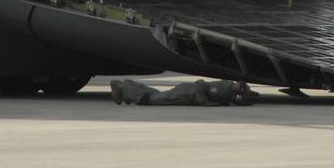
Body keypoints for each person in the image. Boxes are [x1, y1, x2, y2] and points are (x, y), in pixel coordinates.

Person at [109, 78, 256, 106]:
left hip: (186, 92)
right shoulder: (225, 89)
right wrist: (206, 102)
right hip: (187, 93)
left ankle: (129, 85)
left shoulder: (229, 92)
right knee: (151, 100)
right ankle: (121, 87)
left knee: (157, 94)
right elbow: (200, 86)